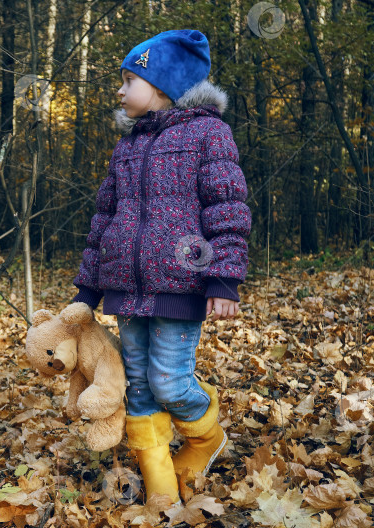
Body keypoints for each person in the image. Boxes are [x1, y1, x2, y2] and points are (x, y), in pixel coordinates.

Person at [71, 29, 250, 504]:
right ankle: (161, 487)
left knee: (169, 381)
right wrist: (88, 292)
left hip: (181, 286)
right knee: (140, 388)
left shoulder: (208, 134)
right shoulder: (126, 146)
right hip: (127, 292)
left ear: (162, 86)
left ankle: (206, 437)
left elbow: (226, 207)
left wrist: (223, 278)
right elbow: (103, 220)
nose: (120, 90)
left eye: (130, 80)